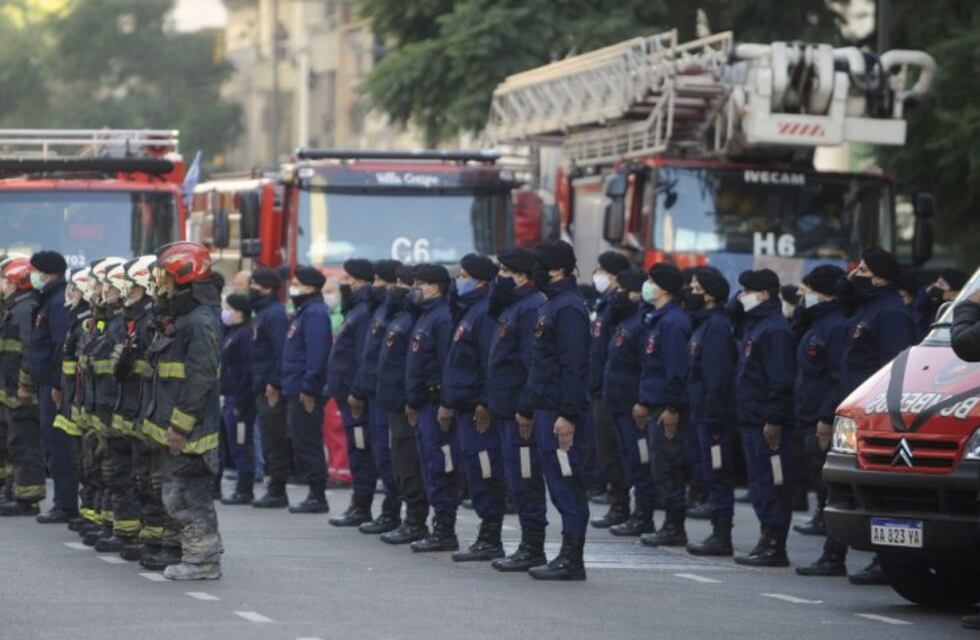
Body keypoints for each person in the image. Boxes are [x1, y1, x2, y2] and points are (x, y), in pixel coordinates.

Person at [797, 247, 916, 582]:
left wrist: (831, 415)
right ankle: (834, 554)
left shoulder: (890, 314)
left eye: (862, 270)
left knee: (875, 489)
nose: (853, 276)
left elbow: (892, 370)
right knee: (839, 487)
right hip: (854, 411)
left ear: (880, 276)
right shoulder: (867, 308)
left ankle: (885, 560)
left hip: (874, 417)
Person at [141, 241, 223, 580]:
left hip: (191, 432)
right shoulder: (180, 318)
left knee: (189, 497)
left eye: (165, 277)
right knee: (176, 495)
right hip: (175, 427)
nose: (160, 284)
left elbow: (199, 380)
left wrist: (180, 427)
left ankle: (203, 562)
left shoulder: (199, 322)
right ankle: (195, 555)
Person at [525, 240, 592, 581]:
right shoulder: (552, 305)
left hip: (560, 414)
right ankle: (566, 554)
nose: (534, 270)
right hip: (547, 409)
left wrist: (568, 414)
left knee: (567, 481)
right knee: (557, 481)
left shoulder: (567, 309)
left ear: (558, 269)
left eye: (541, 264)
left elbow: (574, 366)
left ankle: (572, 557)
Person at [487, 248, 549, 572]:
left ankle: (533, 546)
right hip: (505, 409)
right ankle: (527, 544)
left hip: (520, 413)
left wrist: (525, 408)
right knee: (516, 477)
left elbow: (532, 363)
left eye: (505, 272)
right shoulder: (513, 306)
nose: (499, 278)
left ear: (522, 276)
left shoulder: (530, 308)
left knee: (526, 478)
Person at [442, 254, 506, 562]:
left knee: (485, 469)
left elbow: (489, 363)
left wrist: (484, 401)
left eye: (465, 276)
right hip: (465, 406)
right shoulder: (468, 310)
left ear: (481, 282)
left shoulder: (484, 313)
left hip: (479, 410)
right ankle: (486, 533)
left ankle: (491, 536)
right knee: (475, 470)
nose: (459, 281)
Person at [732, 268, 796, 567]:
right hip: (752, 417)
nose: (741, 296)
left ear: (764, 294)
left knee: (772, 482)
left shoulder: (774, 330)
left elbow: (779, 380)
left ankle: (775, 544)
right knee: (759, 483)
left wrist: (773, 419)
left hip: (766, 421)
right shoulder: (756, 325)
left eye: (747, 291)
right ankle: (766, 537)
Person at [633, 264, 692, 547]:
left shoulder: (672, 323)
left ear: (664, 288)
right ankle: (669, 524)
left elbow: (676, 370)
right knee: (659, 465)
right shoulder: (657, 319)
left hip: (667, 408)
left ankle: (674, 526)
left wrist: (672, 407)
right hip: (655, 404)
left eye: (651, 280)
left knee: (668, 466)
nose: (647, 285)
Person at [104, 257, 158, 562]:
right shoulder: (129, 320)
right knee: (126, 473)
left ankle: (151, 537)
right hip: (127, 405)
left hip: (142, 407)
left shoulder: (149, 320)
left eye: (131, 288)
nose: (125, 293)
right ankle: (131, 532)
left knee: (146, 477)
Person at [404, 263, 459, 552]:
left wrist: (445, 403)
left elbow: (446, 364)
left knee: (441, 465)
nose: (415, 290)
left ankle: (445, 529)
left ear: (436, 287)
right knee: (428, 465)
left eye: (420, 284)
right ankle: (438, 525)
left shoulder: (443, 317)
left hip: (436, 404)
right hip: (422, 404)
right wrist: (412, 400)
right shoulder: (426, 315)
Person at [790, 266, 847, 542]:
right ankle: (821, 518)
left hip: (822, 413)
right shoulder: (817, 321)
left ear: (825, 293)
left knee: (825, 474)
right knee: (816, 470)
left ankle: (830, 531)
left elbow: (838, 375)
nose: (804, 296)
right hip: (810, 410)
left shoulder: (836, 325)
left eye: (810, 291)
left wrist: (826, 415)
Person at [685, 267, 739, 556]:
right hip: (703, 414)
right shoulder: (704, 323)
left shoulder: (716, 327)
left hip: (714, 417)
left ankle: (721, 535)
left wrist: (714, 417)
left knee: (718, 474)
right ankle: (718, 532)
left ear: (708, 294)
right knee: (711, 472)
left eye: (696, 288)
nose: (691, 292)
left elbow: (717, 377)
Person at [348, 259, 403, 535]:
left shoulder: (395, 312)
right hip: (373, 393)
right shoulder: (379, 309)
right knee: (378, 453)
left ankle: (394, 512)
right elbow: (367, 357)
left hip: (387, 396)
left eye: (382, 281)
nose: (376, 285)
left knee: (390, 456)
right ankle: (379, 509)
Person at [376, 265, 429, 544]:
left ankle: (416, 521)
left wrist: (410, 398)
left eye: (401, 283)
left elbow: (414, 366)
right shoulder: (399, 317)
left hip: (406, 403)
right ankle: (406, 518)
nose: (394, 288)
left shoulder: (413, 320)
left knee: (409, 464)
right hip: (393, 401)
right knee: (398, 463)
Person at [600, 269, 654, 537]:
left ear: (635, 293)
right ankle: (625, 509)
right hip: (618, 403)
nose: (616, 294)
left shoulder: (642, 323)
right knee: (625, 459)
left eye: (622, 289)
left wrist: (642, 400)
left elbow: (646, 366)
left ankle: (643, 515)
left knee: (640, 460)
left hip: (634, 406)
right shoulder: (624, 320)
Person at [327, 258, 379, 526]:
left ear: (361, 282)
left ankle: (362, 505)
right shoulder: (355, 310)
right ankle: (358, 504)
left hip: (355, 397)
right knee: (356, 450)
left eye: (348, 278)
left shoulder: (363, 312)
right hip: (345, 393)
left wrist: (357, 392)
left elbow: (363, 357)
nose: (343, 283)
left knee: (361, 451)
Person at [282, 266, 333, 514]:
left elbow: (316, 354)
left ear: (310, 287)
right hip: (297, 386)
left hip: (306, 390)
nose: (292, 287)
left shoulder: (315, 314)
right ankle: (314, 492)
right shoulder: (305, 312)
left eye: (296, 283)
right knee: (302, 440)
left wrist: (309, 387)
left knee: (309, 441)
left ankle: (317, 494)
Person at [28, 251, 74, 524]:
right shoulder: (48, 298)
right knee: (52, 443)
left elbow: (60, 346)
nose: (32, 276)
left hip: (53, 385)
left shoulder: (56, 302)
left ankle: (65, 504)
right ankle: (63, 502)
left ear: (47, 273)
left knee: (58, 445)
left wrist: (58, 383)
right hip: (46, 381)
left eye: (35, 271)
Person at [587, 251, 632, 528]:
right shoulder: (603, 304)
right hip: (598, 386)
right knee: (606, 451)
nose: (598, 276)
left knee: (616, 452)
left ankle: (621, 506)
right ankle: (617, 503)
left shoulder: (620, 307)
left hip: (613, 389)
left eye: (602, 271)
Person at [0, 258, 45, 516]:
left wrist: (25, 385)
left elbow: (29, 352)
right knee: (14, 443)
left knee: (25, 443)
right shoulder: (15, 307)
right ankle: (13, 491)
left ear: (15, 282)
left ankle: (28, 499)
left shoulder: (24, 310)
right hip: (10, 390)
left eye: (4, 280)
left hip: (21, 392)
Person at [248, 267, 291, 509]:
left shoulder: (273, 314)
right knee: (267, 438)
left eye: (254, 284)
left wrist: (274, 383)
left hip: (270, 388)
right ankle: (273, 486)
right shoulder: (263, 313)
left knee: (274, 439)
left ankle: (277, 490)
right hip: (260, 385)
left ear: (266, 288)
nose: (251, 288)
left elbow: (280, 352)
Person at [55, 268, 93, 532]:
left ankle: (95, 515)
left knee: (94, 463)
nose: (69, 293)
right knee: (82, 460)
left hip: (86, 401)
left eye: (75, 289)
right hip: (75, 399)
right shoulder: (76, 320)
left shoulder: (87, 322)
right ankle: (91, 513)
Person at [219, 293, 257, 505]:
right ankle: (242, 486)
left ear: (241, 312)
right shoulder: (233, 332)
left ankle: (245, 489)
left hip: (239, 399)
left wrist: (241, 402)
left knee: (241, 443)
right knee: (234, 444)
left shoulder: (245, 334)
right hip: (230, 395)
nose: (227, 313)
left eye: (231, 309)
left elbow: (246, 371)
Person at [913, 268, 969, 341]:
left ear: (954, 293)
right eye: (937, 282)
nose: (935, 286)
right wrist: (925, 295)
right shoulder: (932, 305)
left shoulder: (961, 312)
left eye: (941, 284)